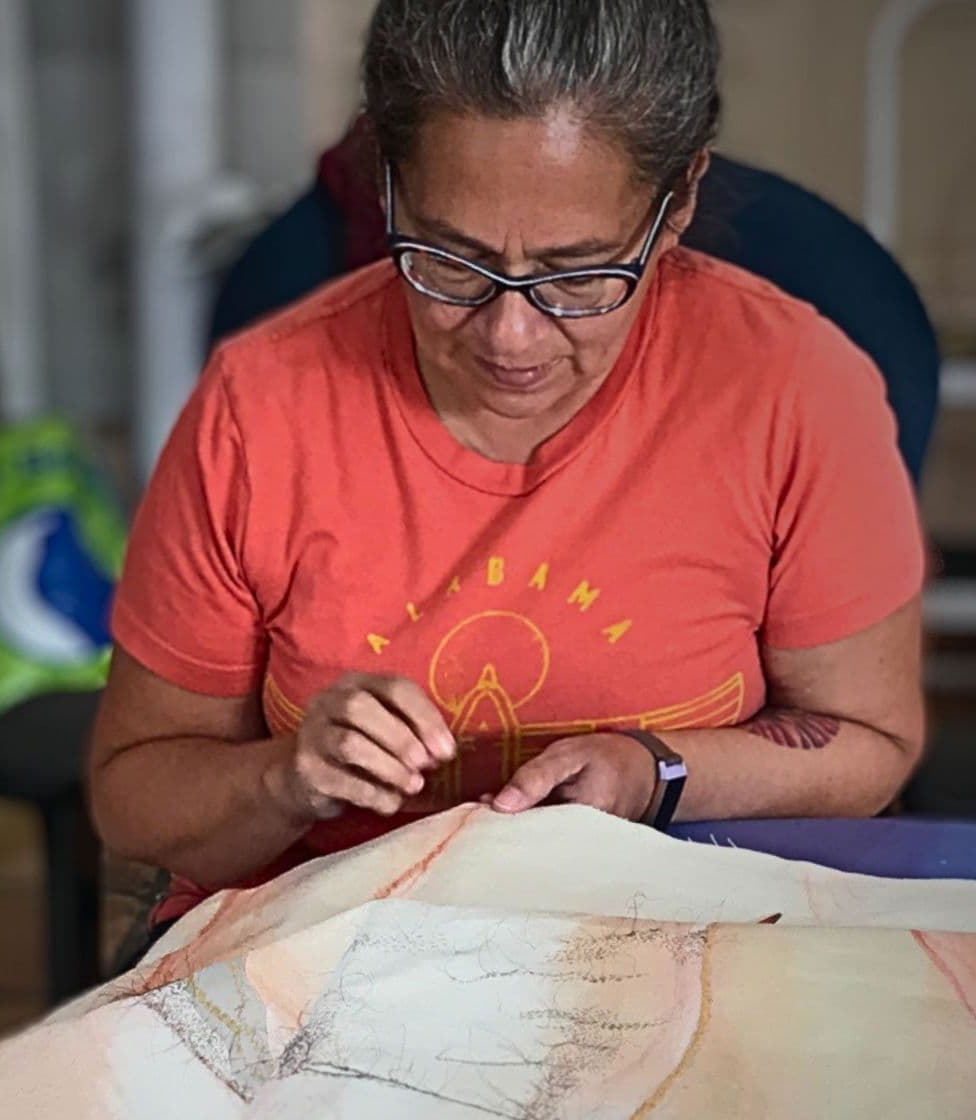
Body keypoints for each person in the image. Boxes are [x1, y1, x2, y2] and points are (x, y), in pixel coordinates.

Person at [90, 0, 926, 928]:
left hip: (671, 933)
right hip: (325, 954)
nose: (511, 336)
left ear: (678, 200)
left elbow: (868, 745)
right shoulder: (259, 408)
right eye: (450, 260)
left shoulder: (795, 389)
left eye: (578, 276)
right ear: (388, 188)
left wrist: (654, 773)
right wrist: (286, 777)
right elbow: (138, 797)